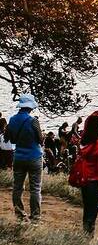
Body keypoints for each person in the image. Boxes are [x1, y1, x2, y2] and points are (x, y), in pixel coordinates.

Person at [4, 94, 44, 222]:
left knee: (17, 187)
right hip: (34, 156)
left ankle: (20, 215)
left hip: (19, 156)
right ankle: (35, 217)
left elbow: (9, 137)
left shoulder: (12, 120)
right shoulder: (33, 121)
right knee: (35, 188)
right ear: (30, 107)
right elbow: (40, 139)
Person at [77, 113, 98, 236]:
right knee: (93, 210)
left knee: (87, 208)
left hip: (83, 179)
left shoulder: (84, 142)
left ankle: (86, 232)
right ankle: (89, 235)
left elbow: (89, 120)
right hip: (93, 182)